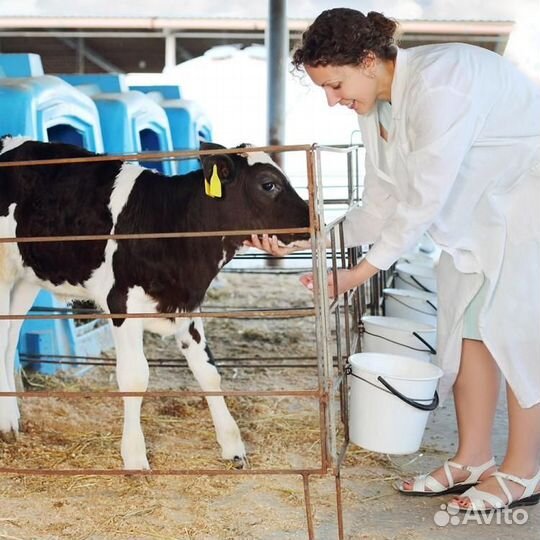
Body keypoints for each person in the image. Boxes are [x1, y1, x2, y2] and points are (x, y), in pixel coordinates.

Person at [245, 8, 540, 512]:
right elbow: (379, 206)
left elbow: (423, 198)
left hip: (524, 208)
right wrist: (304, 241)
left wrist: (361, 272)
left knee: (516, 334)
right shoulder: (377, 109)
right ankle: (473, 458)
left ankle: (524, 470)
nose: (333, 100)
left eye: (336, 85)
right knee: (467, 332)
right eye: (324, 90)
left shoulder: (442, 83)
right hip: (478, 223)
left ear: (367, 60)